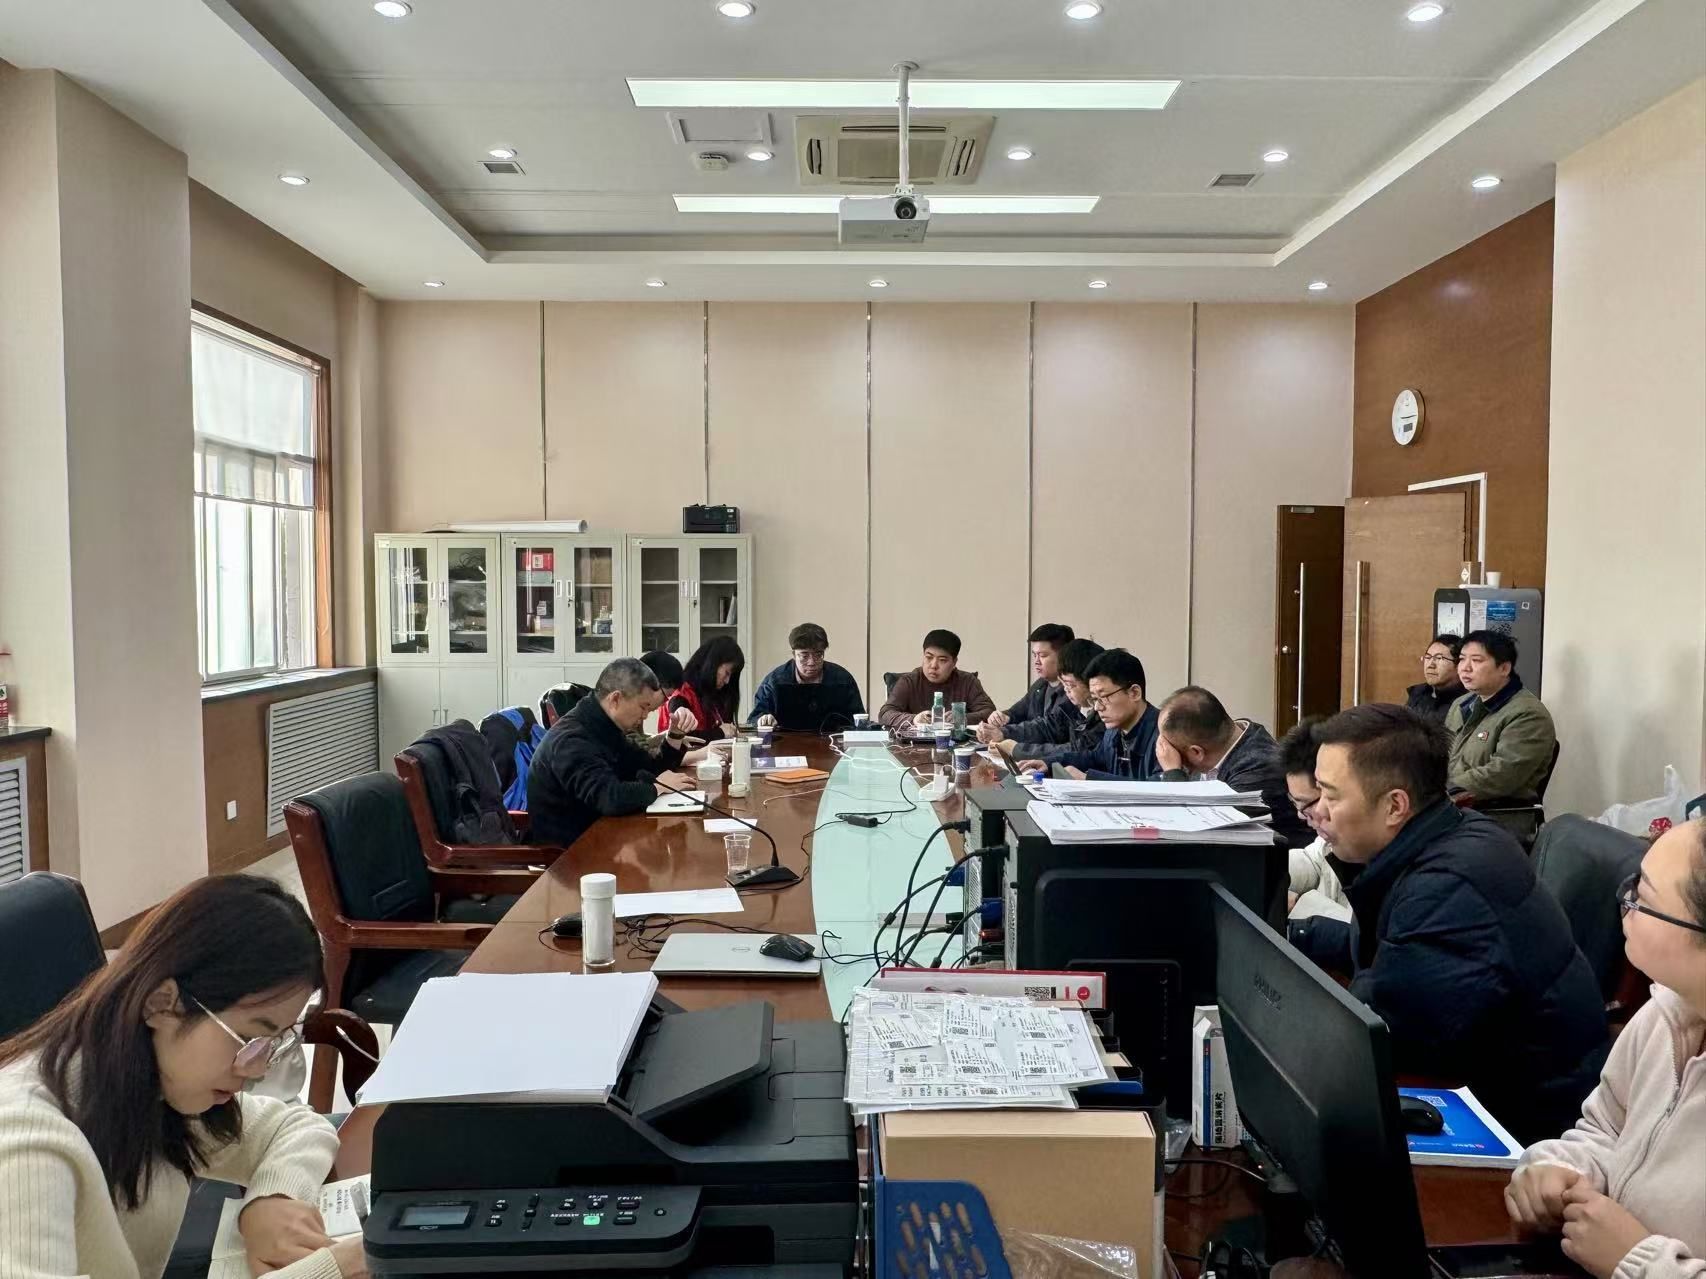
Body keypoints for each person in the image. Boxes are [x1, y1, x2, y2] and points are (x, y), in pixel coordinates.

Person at [0, 875, 366, 1279]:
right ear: (161, 1003)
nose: (257, 1068)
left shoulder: (149, 1080)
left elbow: (295, 1126)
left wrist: (273, 1199)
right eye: (247, 1039)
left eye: (272, 1043)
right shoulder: (25, 1142)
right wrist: (331, 1269)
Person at [1289, 704, 1609, 1144]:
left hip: (1519, 1126)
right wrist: (1298, 935)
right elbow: (1392, 953)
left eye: (1330, 796)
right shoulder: (1452, 830)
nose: (1317, 813)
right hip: (1492, 1081)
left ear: (1395, 805)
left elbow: (1383, 1036)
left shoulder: (1448, 887)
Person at [1505, 818, 1705, 1279]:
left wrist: (1635, 1260)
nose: (1626, 902)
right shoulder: (1667, 1014)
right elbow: (1608, 1130)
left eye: (1643, 896)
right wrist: (1559, 1171)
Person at [528, 657, 696, 848]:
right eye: (643, 707)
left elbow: (649, 766)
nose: (645, 716)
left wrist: (675, 735)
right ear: (615, 699)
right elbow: (609, 797)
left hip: (605, 834)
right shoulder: (572, 739)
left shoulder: (605, 726)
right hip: (570, 853)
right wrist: (657, 788)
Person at [1153, 686, 1313, 847]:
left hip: (1279, 860)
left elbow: (1199, 832)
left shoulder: (1259, 768)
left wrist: (1173, 772)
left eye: (1169, 747)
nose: (1164, 752)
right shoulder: (1223, 741)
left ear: (1196, 752)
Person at [1445, 630, 1558, 803]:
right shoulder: (1461, 704)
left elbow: (1501, 776)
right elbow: (1441, 755)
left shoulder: (1528, 714)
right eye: (1461, 659)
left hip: (1493, 811)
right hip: (1450, 803)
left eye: (1476, 660)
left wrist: (1439, 792)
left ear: (1504, 668)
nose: (1465, 667)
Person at [1017, 648, 1157, 781]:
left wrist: (1088, 779)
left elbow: (1156, 789)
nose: (1097, 707)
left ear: (1134, 693)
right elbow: (1093, 758)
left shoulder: (1163, 735)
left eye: (1104, 697)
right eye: (1094, 699)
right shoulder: (1113, 733)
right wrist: (1048, 763)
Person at [1278, 718, 1352, 924]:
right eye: (1294, 803)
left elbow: (1361, 934)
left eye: (1306, 804)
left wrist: (1298, 904)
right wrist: (1262, 869)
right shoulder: (1330, 835)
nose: (1301, 815)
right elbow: (1313, 860)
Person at [992, 638, 1105, 761]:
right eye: (1063, 684)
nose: (1066, 690)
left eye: (1070, 685)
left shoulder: (1105, 715)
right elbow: (1047, 727)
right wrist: (1003, 733)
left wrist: (1016, 749)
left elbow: (1078, 750)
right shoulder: (1069, 704)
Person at [877, 629, 996, 730]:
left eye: (942, 660)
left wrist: (962, 718)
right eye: (929, 657)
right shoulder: (909, 681)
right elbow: (885, 714)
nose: (933, 665)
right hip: (914, 744)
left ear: (954, 662)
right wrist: (914, 719)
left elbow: (989, 712)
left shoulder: (967, 681)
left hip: (957, 744)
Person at [752, 622, 865, 727]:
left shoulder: (842, 680)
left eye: (818, 655)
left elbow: (859, 719)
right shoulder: (775, 681)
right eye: (804, 656)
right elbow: (755, 717)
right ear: (793, 655)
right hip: (786, 740)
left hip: (833, 739)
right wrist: (763, 719)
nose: (811, 662)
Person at [978, 624, 1074, 744]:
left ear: (1063, 656)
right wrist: (1002, 717)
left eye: (1042, 655)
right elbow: (1018, 711)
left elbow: (1047, 728)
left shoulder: (1072, 691)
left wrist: (1004, 733)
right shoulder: (1040, 684)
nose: (1036, 661)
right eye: (1034, 655)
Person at [667, 636, 746, 740]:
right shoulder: (682, 694)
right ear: (713, 664)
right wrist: (720, 733)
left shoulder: (712, 694)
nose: (727, 681)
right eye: (727, 673)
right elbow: (680, 739)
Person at [1406, 633, 1465, 724]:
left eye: (1439, 658)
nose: (1431, 665)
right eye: (1428, 657)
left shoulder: (1467, 702)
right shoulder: (1418, 693)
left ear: (1459, 664)